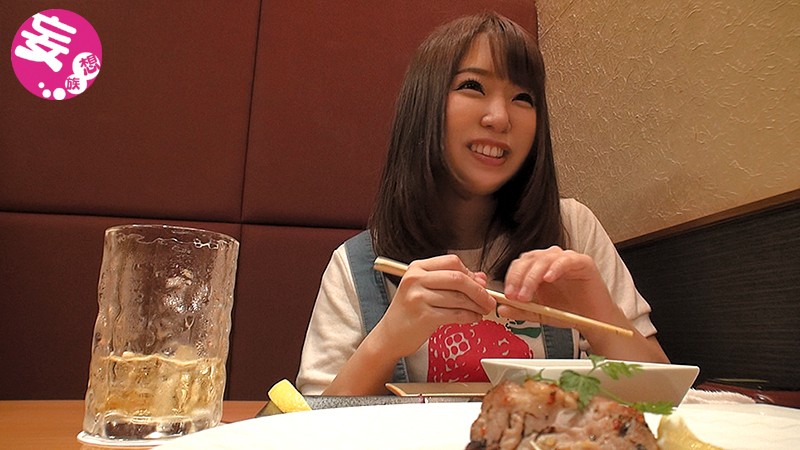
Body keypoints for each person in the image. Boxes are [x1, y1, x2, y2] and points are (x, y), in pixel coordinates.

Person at [296, 12, 669, 396]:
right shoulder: (357, 264)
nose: (500, 118)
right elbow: (308, 420)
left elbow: (663, 397)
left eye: (523, 98)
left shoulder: (571, 229)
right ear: (423, 104)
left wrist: (598, 315)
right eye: (473, 86)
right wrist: (386, 341)